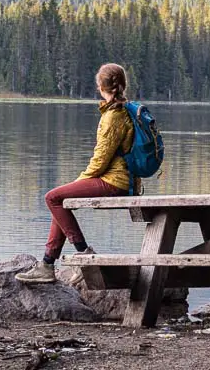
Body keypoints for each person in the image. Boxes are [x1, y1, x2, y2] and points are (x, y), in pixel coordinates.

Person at [16, 63, 138, 284]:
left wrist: (81, 180)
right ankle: (47, 264)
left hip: (114, 181)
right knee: (60, 199)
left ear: (101, 86)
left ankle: (83, 256)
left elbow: (101, 160)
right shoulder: (122, 110)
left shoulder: (113, 117)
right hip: (119, 178)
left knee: (53, 197)